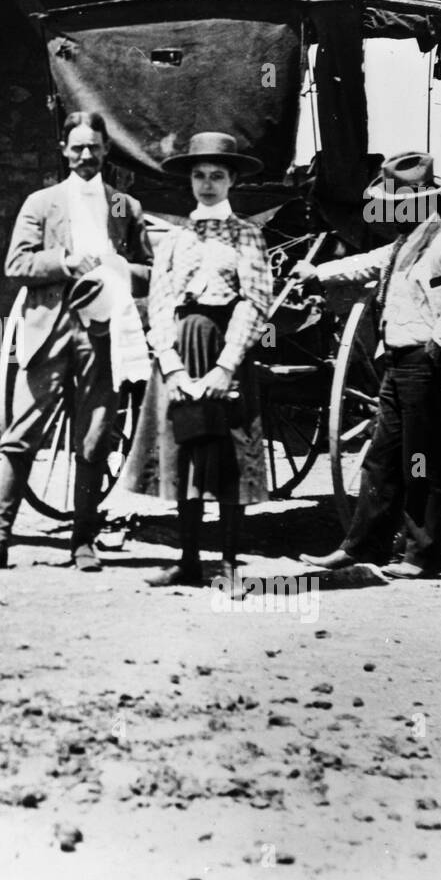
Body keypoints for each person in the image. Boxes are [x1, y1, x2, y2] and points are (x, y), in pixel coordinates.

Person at [0, 111, 152, 574]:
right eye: (77, 147)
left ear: (107, 150)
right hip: (50, 326)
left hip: (102, 333)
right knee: (22, 432)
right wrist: (66, 261)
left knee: (94, 436)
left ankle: (83, 543)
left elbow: (151, 272)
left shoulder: (125, 208)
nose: (86, 155)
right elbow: (16, 264)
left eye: (94, 147)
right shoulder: (42, 203)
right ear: (64, 150)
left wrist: (119, 268)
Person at [292, 151, 441, 578]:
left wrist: (439, 341)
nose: (393, 212)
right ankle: (364, 547)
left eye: (399, 205)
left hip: (425, 363)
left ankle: (425, 556)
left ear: (421, 203)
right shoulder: (405, 244)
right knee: (382, 458)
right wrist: (316, 273)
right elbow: (364, 264)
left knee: (420, 458)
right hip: (399, 362)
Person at [143, 132, 273, 588]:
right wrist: (172, 366)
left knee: (229, 454)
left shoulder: (247, 235)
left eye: (217, 176)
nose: (207, 184)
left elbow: (256, 301)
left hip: (225, 349)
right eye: (199, 175)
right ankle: (189, 559)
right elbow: (159, 303)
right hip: (182, 348)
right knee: (186, 452)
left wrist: (226, 366)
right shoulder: (175, 237)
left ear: (232, 180)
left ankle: (232, 563)